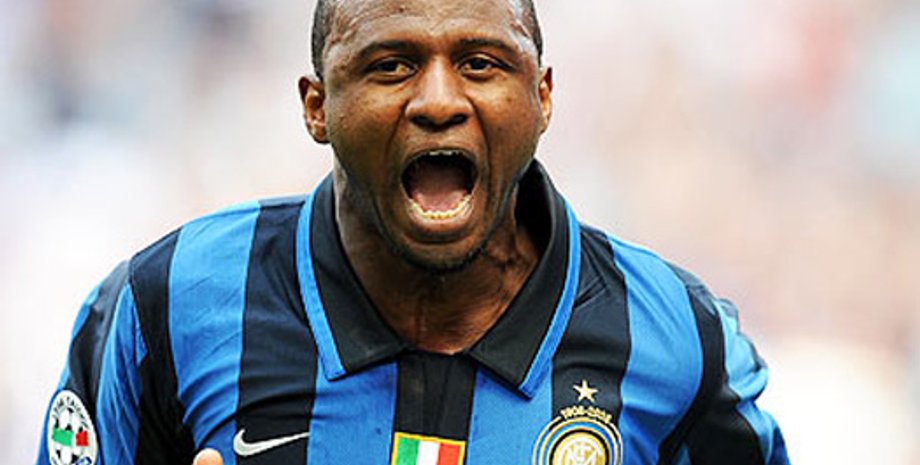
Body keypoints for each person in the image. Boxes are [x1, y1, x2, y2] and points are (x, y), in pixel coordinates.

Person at [37, 0, 790, 464]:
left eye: (481, 63)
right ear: (317, 106)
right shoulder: (166, 307)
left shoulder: (675, 339)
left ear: (542, 96)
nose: (438, 101)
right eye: (391, 65)